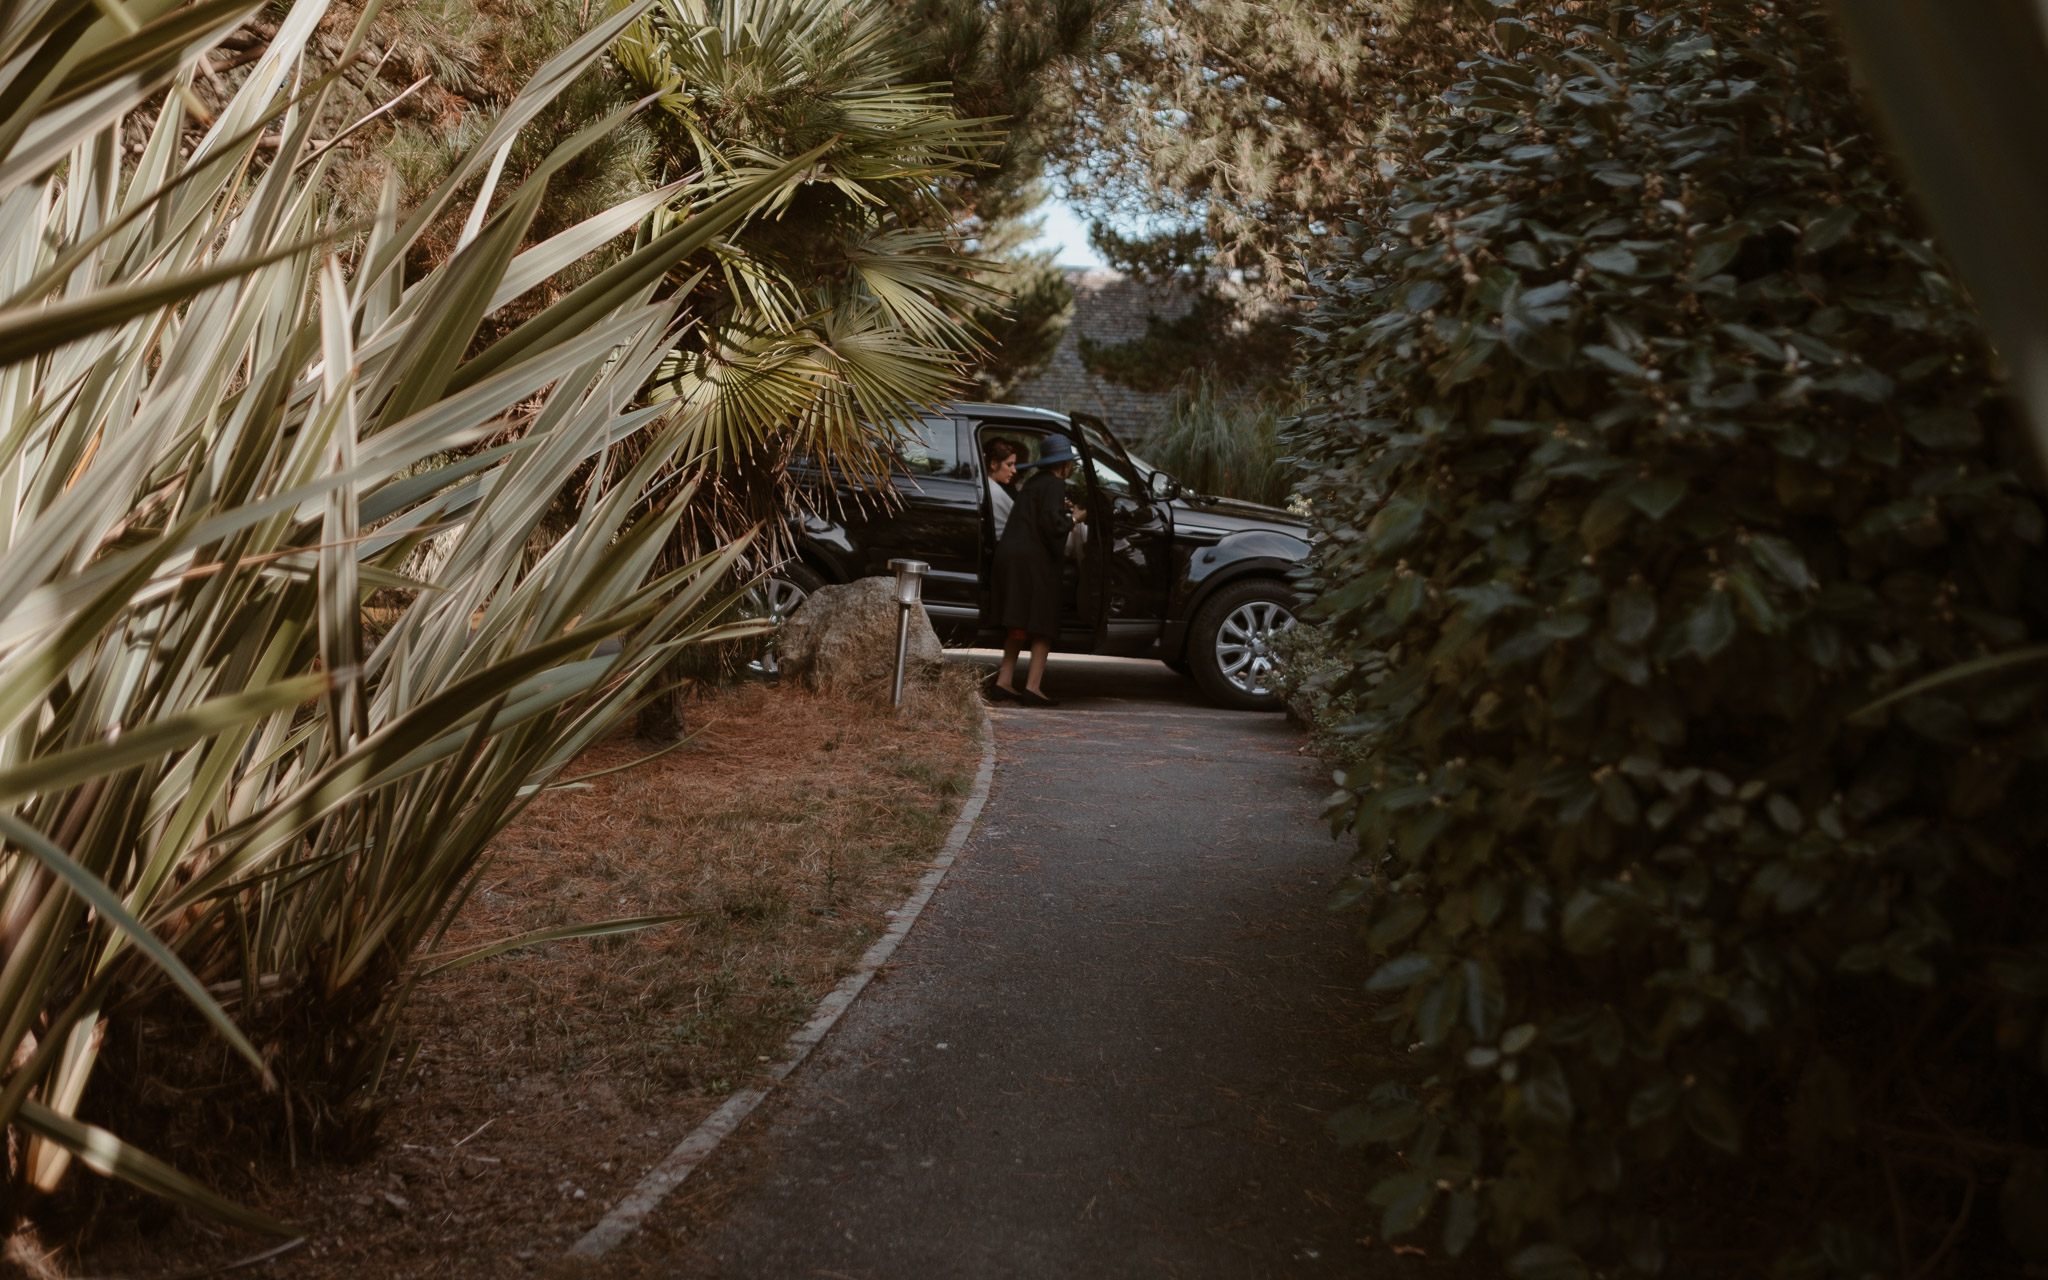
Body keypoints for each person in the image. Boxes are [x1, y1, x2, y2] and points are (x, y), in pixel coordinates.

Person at [990, 433, 1085, 707]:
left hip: (1012, 557)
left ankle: (1004, 682)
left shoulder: (1034, 482)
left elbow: (1039, 514)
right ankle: (1033, 687)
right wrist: (1074, 518)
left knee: (1018, 620)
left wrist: (1060, 512)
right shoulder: (1056, 483)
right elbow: (1052, 526)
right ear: (1064, 465)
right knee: (1044, 622)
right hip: (1034, 561)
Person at [984, 438, 1019, 538]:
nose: (1014, 471)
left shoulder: (988, 486)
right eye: (1009, 465)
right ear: (994, 464)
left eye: (1014, 465)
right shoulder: (995, 492)